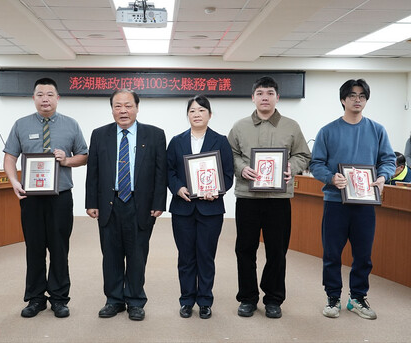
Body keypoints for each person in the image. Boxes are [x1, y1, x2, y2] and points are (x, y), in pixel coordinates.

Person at [309, 79, 395, 320]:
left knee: (363, 254)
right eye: (352, 95)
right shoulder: (328, 131)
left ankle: (357, 297)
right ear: (343, 100)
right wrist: (330, 178)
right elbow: (316, 164)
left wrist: (383, 176)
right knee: (332, 253)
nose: (357, 99)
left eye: (362, 96)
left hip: (366, 203)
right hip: (336, 202)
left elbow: (387, 160)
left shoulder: (377, 130)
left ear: (366, 100)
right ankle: (333, 297)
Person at [3, 78, 88, 318]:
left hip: (60, 196)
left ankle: (60, 299)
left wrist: (66, 160)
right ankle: (36, 298)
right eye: (40, 94)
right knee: (34, 248)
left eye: (50, 94)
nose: (45, 99)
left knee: (60, 248)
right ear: (34, 98)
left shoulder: (71, 125)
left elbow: (84, 155)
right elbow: (10, 157)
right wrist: (13, 181)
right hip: (31, 198)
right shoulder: (20, 124)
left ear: (57, 98)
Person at [227, 76, 311, 319]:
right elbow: (230, 154)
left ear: (277, 97)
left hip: (279, 200)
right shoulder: (240, 126)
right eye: (260, 93)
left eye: (270, 93)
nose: (265, 97)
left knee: (277, 251)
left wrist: (291, 168)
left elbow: (303, 155)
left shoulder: (291, 126)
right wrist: (242, 168)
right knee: (245, 249)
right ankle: (247, 298)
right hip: (247, 198)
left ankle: (273, 298)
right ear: (253, 97)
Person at [85, 89, 167, 321]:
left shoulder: (154, 135)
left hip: (139, 204)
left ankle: (135, 300)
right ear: (112, 109)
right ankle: (113, 300)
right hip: (109, 203)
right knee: (110, 254)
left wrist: (159, 202)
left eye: (128, 105)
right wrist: (91, 202)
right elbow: (94, 172)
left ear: (137, 108)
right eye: (118, 106)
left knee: (137, 254)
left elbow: (161, 173)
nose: (123, 111)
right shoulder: (100, 135)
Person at [166, 95, 234, 319]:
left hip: (210, 209)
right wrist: (178, 188)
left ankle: (205, 300)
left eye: (202, 110)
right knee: (186, 256)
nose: (197, 114)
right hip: (182, 208)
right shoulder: (177, 141)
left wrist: (217, 190)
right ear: (188, 115)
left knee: (206, 255)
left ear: (210, 115)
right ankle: (187, 300)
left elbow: (227, 174)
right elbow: (169, 171)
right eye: (192, 111)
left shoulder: (221, 141)